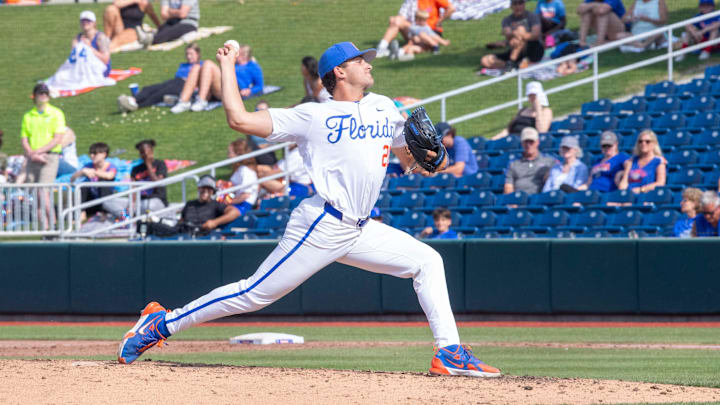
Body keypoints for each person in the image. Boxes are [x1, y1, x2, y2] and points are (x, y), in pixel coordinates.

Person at [118, 41, 501, 378]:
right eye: (359, 60)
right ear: (340, 71)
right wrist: (226, 65)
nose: (368, 64)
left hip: (361, 228)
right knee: (253, 294)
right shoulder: (312, 115)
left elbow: (408, 152)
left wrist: (428, 155)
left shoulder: (384, 107)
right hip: (323, 222)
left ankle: (449, 352)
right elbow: (239, 119)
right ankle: (161, 323)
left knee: (428, 262)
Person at [21, 83, 67, 229]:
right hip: (33, 157)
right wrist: (31, 153)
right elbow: (24, 138)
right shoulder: (28, 116)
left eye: (45, 94)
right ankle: (45, 227)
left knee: (43, 191)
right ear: (34, 96)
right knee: (35, 193)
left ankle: (54, 222)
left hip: (49, 156)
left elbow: (57, 138)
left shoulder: (56, 113)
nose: (43, 96)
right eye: (40, 93)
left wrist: (39, 152)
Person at [171, 44, 264, 113]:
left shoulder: (253, 66)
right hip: (222, 84)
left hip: (234, 88)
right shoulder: (233, 63)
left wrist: (250, 91)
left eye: (236, 53)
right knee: (196, 67)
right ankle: (184, 101)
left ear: (244, 56)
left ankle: (202, 100)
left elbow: (260, 85)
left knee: (208, 63)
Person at [118, 43, 202, 112]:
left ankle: (137, 106)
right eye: (187, 54)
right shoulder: (183, 65)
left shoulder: (202, 65)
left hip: (185, 86)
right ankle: (132, 99)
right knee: (150, 88)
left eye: (191, 54)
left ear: (197, 54)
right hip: (175, 81)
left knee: (160, 94)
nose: (189, 56)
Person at [103, 139, 167, 218]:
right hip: (139, 202)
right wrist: (131, 205)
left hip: (155, 201)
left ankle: (132, 216)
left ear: (152, 151)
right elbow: (133, 190)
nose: (144, 154)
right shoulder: (135, 169)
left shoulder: (160, 164)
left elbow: (158, 183)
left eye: (146, 151)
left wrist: (148, 164)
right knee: (107, 202)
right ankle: (127, 217)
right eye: (141, 152)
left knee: (148, 206)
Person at [480, 0, 544, 73]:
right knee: (485, 60)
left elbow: (535, 35)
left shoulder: (532, 17)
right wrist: (515, 33)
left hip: (533, 49)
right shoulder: (507, 20)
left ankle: (512, 62)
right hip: (514, 49)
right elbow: (508, 35)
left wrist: (520, 34)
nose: (518, 6)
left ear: (524, 4)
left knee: (520, 30)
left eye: (520, 3)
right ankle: (513, 65)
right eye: (515, 4)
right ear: (511, 6)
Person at [376, 0, 455, 58]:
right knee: (395, 20)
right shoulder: (409, 1)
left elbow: (451, 8)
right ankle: (382, 48)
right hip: (416, 30)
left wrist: (439, 21)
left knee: (415, 44)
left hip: (430, 31)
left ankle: (399, 52)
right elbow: (401, 17)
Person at [70, 142, 117, 220]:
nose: (92, 156)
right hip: (91, 200)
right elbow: (72, 179)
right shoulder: (87, 166)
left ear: (104, 154)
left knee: (103, 183)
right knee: (84, 185)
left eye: (95, 153)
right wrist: (82, 172)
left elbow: (110, 176)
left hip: (107, 201)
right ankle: (81, 212)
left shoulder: (111, 166)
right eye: (91, 153)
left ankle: (104, 213)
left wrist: (94, 172)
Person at [504, 127, 556, 195]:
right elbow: (508, 186)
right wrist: (512, 201)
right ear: (522, 143)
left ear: (537, 142)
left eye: (531, 142)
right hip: (518, 199)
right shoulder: (513, 164)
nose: (528, 145)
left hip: (539, 199)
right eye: (526, 142)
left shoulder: (549, 162)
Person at [618, 130, 666, 194]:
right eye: (640, 141)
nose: (643, 143)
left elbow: (660, 183)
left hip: (647, 196)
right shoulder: (632, 161)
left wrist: (641, 189)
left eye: (647, 141)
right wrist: (627, 169)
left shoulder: (658, 161)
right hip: (628, 196)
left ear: (654, 144)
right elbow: (622, 187)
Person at [226, 138, 259, 215]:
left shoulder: (245, 171)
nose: (228, 155)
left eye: (230, 153)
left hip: (244, 205)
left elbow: (245, 195)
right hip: (238, 203)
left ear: (238, 154)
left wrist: (228, 202)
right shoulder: (239, 169)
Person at [73, 11, 111, 77]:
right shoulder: (77, 39)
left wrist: (89, 47)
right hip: (84, 69)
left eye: (88, 21)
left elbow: (105, 60)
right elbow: (73, 59)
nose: (85, 23)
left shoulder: (101, 38)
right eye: (83, 21)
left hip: (100, 70)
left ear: (94, 23)